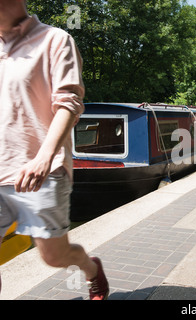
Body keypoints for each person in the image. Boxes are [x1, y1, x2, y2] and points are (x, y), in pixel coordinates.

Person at [0, 1, 109, 300]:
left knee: (54, 256)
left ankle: (90, 268)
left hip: (40, 171)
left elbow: (69, 103)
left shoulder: (55, 40)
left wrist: (44, 158)